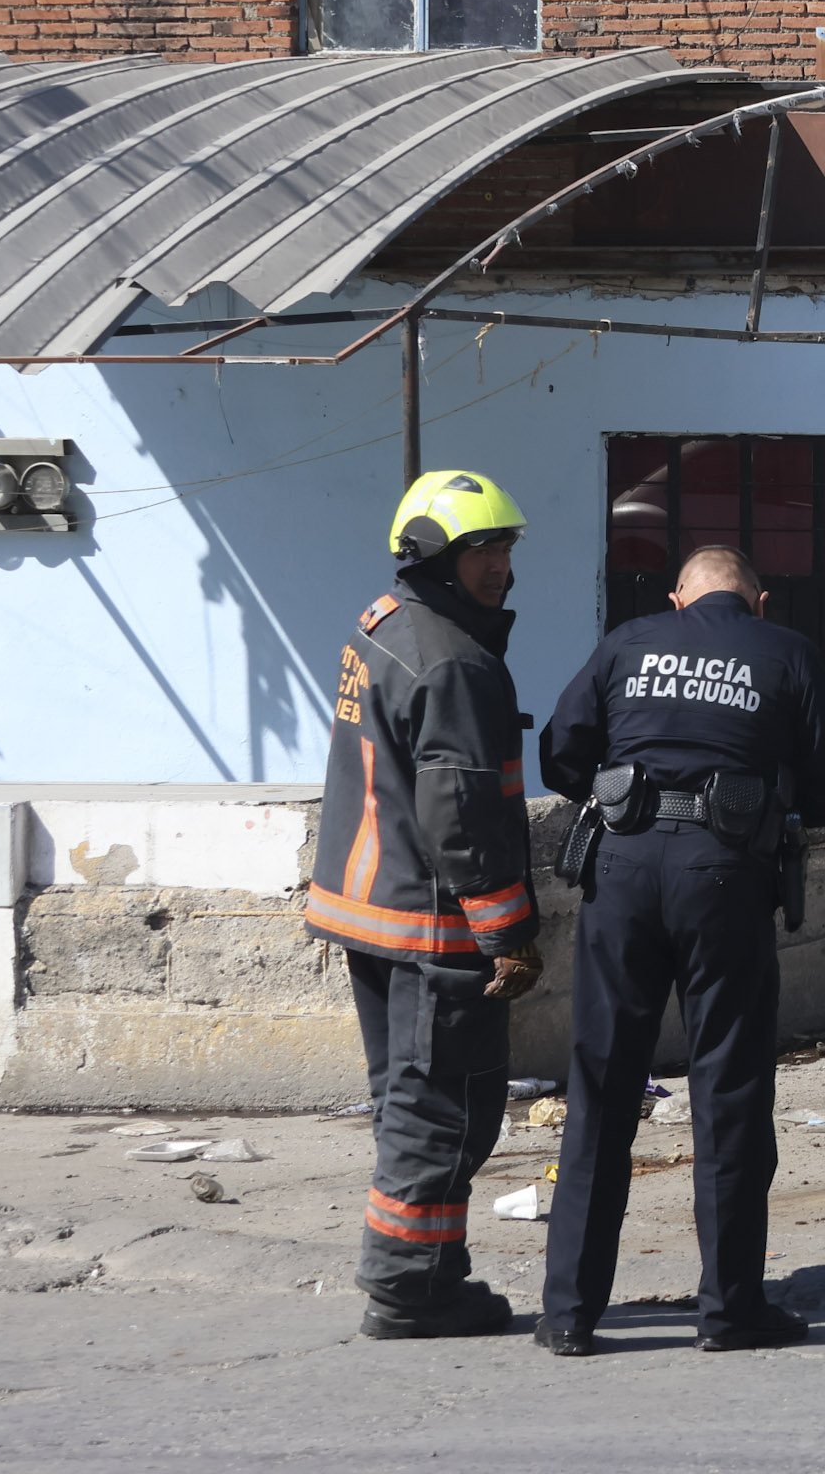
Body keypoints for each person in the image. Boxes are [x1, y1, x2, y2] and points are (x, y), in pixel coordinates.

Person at [534, 544, 825, 1357]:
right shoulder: (786, 652)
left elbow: (560, 756)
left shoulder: (628, 642)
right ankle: (729, 1310)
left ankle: (570, 1313)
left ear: (678, 601)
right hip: (724, 875)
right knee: (729, 1088)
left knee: (602, 1086)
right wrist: (768, 790)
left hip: (621, 872)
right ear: (758, 602)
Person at [306, 469, 543, 1340]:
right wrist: (508, 934)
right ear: (434, 558)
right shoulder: (455, 663)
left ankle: (424, 1275)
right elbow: (464, 815)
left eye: (505, 546)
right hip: (430, 926)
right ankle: (410, 1289)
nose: (500, 565)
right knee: (446, 1112)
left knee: (408, 1105)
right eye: (481, 549)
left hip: (371, 914)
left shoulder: (384, 623)